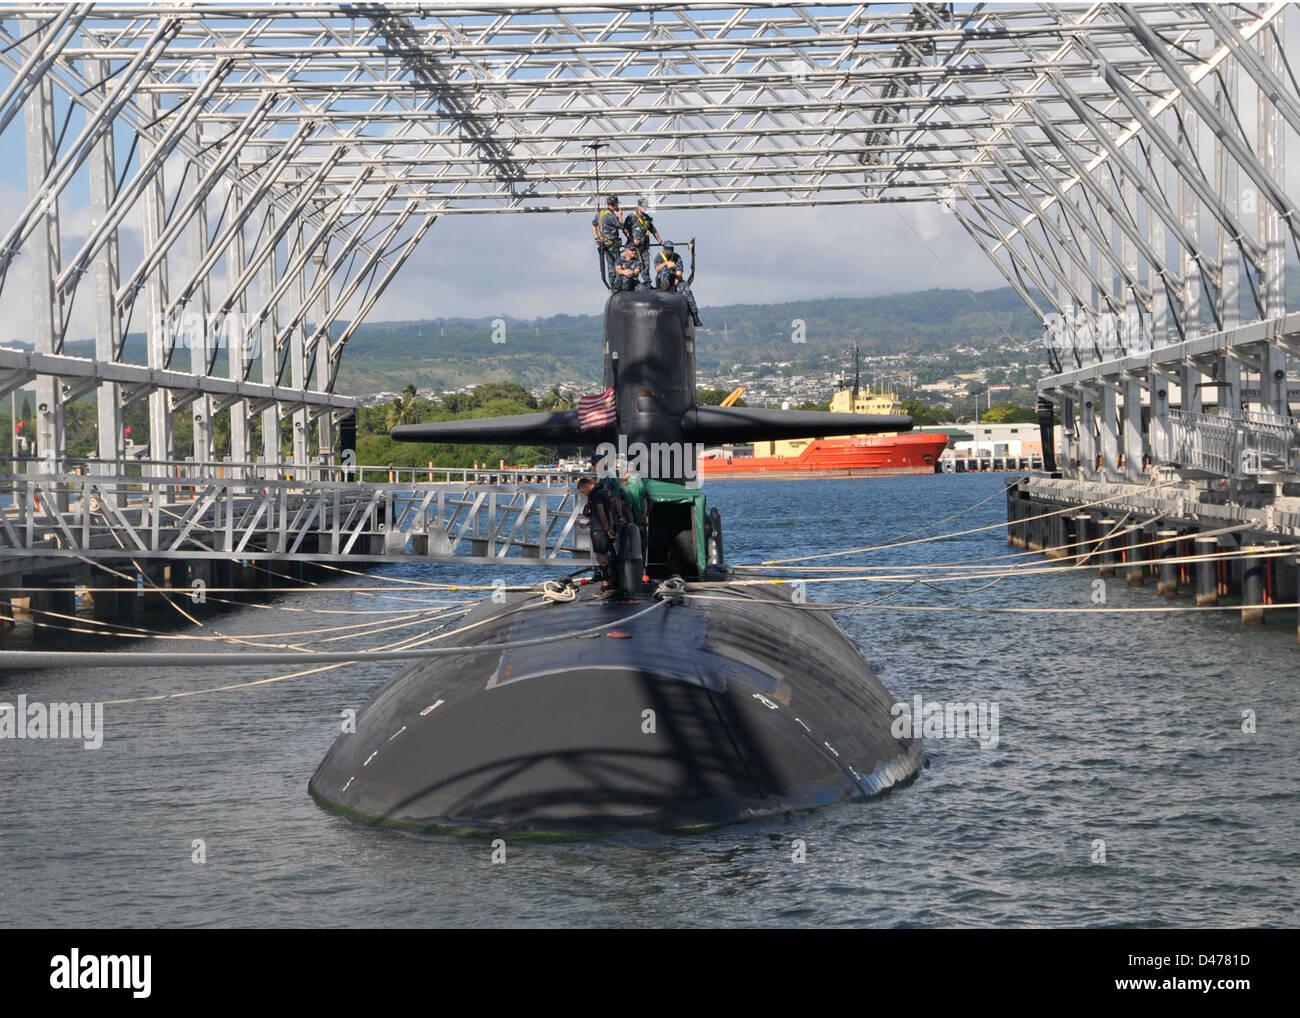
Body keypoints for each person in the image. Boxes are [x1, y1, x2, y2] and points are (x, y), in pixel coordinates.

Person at [578, 476, 625, 591]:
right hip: (604, 528)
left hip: (598, 529)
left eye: (583, 491)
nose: (584, 494)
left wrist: (606, 527)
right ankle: (614, 580)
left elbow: (601, 511)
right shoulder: (604, 492)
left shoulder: (596, 495)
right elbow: (609, 510)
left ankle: (606, 582)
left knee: (601, 556)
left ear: (586, 486)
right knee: (610, 553)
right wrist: (610, 527)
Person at [654, 242, 702, 326]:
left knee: (686, 290)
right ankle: (665, 287)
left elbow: (679, 273)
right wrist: (665, 264)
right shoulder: (659, 257)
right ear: (664, 249)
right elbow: (657, 268)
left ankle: (695, 315)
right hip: (662, 280)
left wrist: (674, 285)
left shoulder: (677, 257)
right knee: (664, 270)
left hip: (675, 279)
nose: (669, 251)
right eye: (668, 249)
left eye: (671, 249)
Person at [623, 196, 663, 287]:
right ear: (638, 206)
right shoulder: (631, 217)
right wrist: (632, 240)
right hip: (634, 247)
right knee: (637, 265)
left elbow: (653, 230)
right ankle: (631, 283)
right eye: (642, 206)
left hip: (644, 247)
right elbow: (625, 230)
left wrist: (660, 241)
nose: (644, 208)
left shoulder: (647, 218)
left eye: (645, 206)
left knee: (646, 265)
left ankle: (647, 282)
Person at [590, 195, 623, 284]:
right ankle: (616, 284)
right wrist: (620, 215)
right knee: (616, 265)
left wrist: (596, 237)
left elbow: (593, 225)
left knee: (610, 265)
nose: (618, 206)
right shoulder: (610, 215)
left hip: (605, 244)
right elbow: (621, 225)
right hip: (612, 244)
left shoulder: (601, 213)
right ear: (614, 204)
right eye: (617, 204)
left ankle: (612, 284)